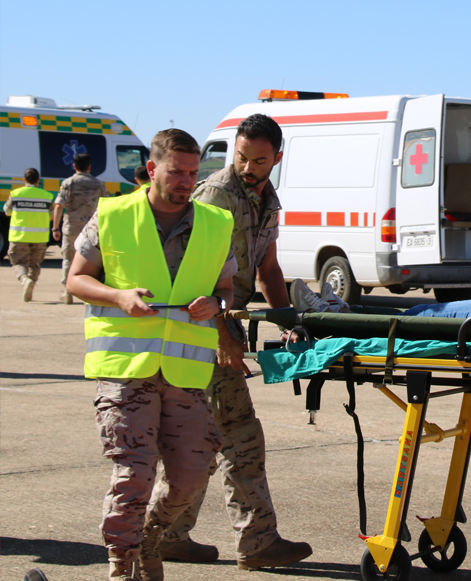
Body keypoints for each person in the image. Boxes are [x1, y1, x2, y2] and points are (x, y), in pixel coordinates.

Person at [67, 129, 236, 580]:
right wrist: (118, 296)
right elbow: (76, 280)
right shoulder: (113, 214)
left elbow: (226, 288)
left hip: (185, 374)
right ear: (151, 169)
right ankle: (123, 568)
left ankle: (151, 541)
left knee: (190, 478)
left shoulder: (216, 223)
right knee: (133, 478)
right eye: (176, 172)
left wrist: (216, 305)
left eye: (192, 174)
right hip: (125, 372)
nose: (185, 182)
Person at [162, 113, 312, 570]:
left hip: (225, 326)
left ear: (277, 159)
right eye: (242, 158)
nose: (248, 167)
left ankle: (166, 533)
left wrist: (288, 321)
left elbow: (268, 270)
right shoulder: (215, 196)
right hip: (201, 331)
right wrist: (225, 336)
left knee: (205, 440)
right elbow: (196, 279)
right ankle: (256, 541)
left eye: (259, 160)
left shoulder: (267, 200)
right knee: (239, 435)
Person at [52, 152, 110, 304]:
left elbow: (59, 206)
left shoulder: (68, 183)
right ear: (89, 167)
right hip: (91, 230)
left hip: (71, 227)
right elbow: (107, 205)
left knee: (67, 259)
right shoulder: (98, 184)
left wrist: (55, 228)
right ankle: (86, 295)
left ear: (74, 166)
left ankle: (67, 292)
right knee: (92, 262)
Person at [5, 168, 53, 301]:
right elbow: (51, 216)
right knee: (34, 264)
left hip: (19, 236)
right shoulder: (47, 196)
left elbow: (7, 211)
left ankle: (25, 280)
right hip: (40, 237)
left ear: (24, 180)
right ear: (38, 181)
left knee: (18, 262)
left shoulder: (15, 194)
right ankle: (30, 284)